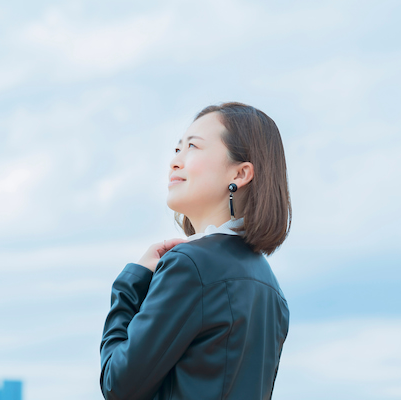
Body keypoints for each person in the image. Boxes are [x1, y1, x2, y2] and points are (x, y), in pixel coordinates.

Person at [100, 102, 292, 400]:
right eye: (177, 150)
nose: (175, 162)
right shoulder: (270, 286)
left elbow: (118, 385)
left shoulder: (189, 265)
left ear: (240, 174)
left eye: (192, 147)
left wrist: (131, 282)